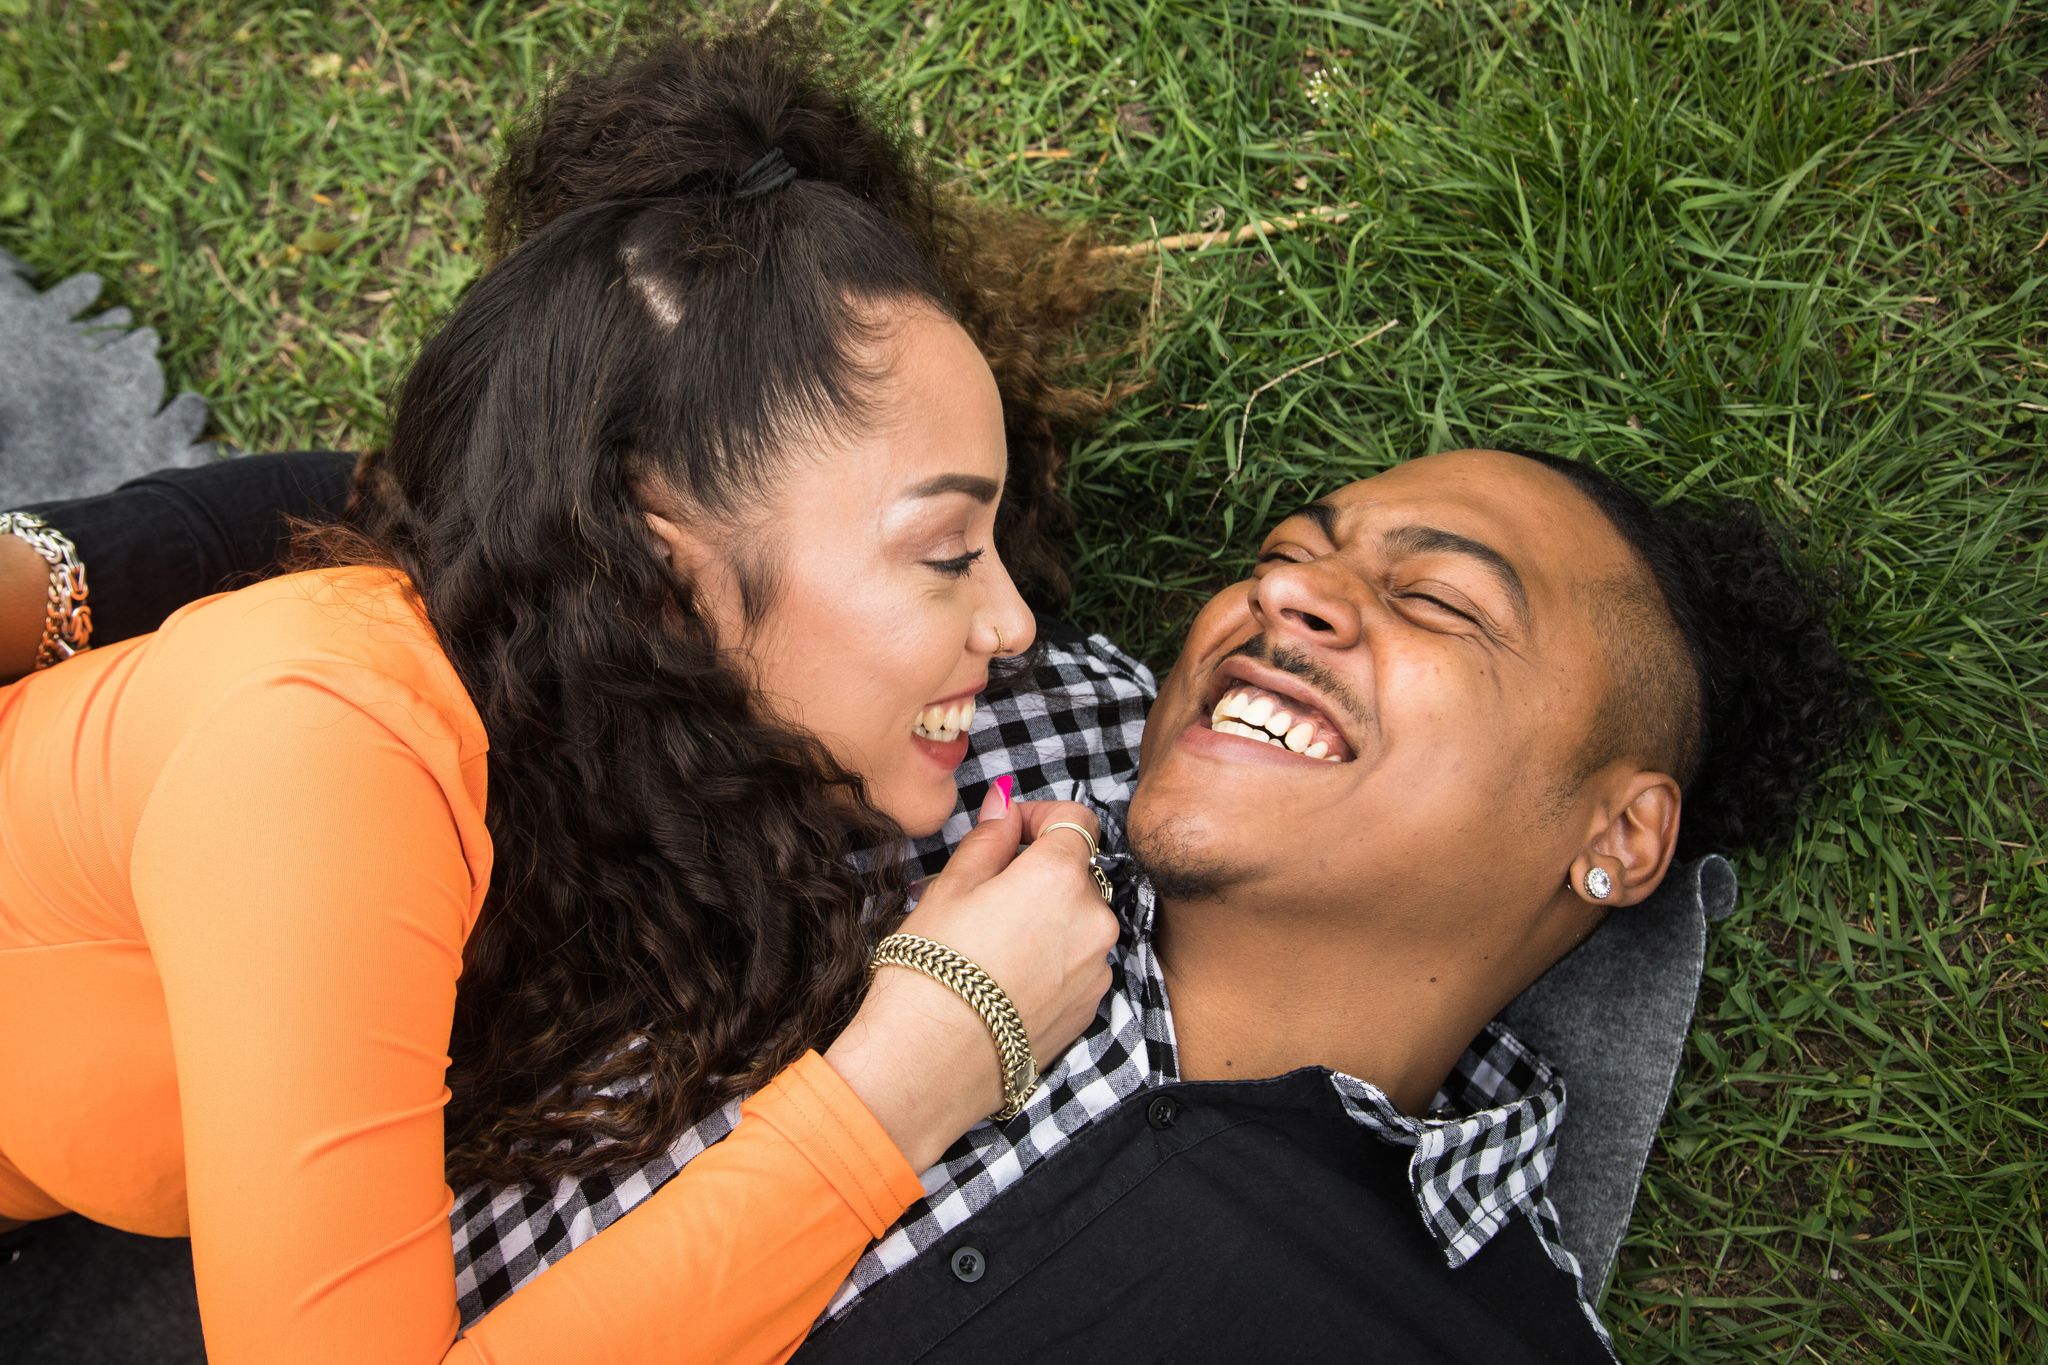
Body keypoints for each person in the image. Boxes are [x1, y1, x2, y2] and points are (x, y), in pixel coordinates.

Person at [5, 445, 1866, 1360]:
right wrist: (56, 578)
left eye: (1438, 602)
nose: (1287, 593)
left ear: (1619, 836)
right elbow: (533, 535)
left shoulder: (1440, 1323)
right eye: (1289, 552)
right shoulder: (1014, 701)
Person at [0, 19, 1142, 1364]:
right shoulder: (321, 758)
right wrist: (909, 1079)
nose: (1013, 626)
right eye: (947, 554)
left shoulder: (616, 716)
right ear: (654, 572)